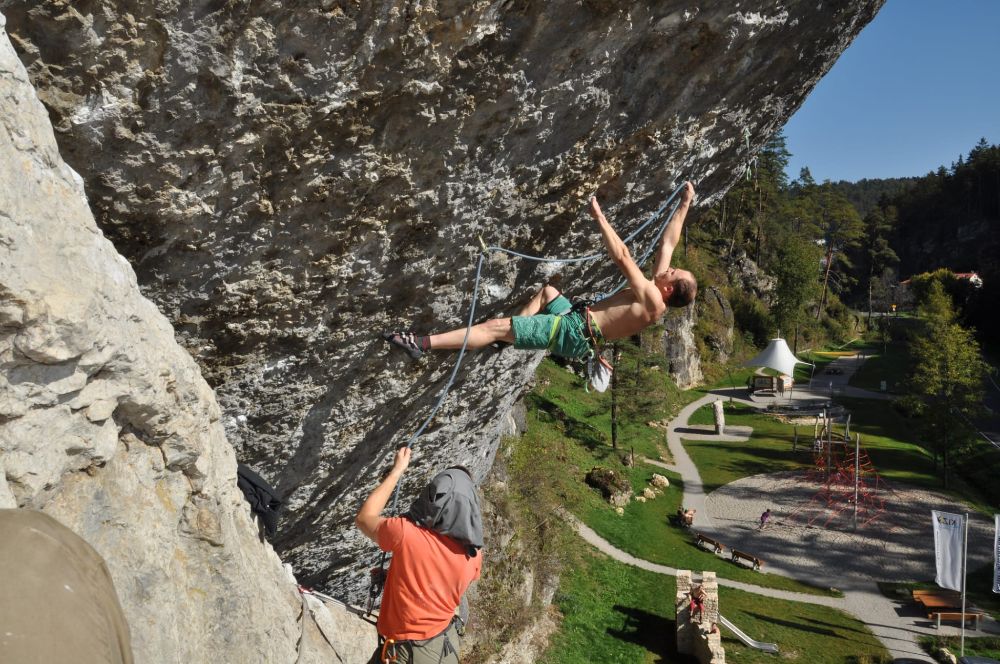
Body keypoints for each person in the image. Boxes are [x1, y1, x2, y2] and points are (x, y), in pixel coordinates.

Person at [384, 183, 698, 361]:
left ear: (670, 289)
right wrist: (685, 204)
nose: (668, 269)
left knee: (494, 326)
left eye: (673, 272)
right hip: (578, 324)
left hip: (572, 331)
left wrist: (599, 215)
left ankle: (423, 344)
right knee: (548, 292)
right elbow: (667, 244)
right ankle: (512, 334)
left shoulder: (652, 301)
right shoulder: (656, 291)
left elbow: (623, 257)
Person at [356, 448, 483, 664]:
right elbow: (443, 585)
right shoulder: (474, 555)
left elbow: (364, 518)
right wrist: (400, 577)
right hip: (443, 648)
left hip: (410, 652)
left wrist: (397, 471)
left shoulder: (406, 534)